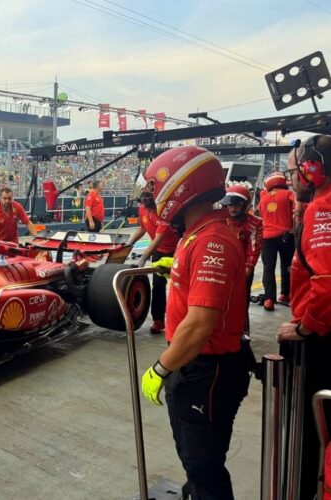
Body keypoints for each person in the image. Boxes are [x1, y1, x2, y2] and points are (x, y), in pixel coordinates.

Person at [139, 146, 250, 500]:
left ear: (180, 189)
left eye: (157, 190)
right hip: (197, 368)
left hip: (207, 370)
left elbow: (201, 323)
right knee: (195, 461)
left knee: (204, 467)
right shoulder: (198, 234)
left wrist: (161, 367)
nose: (154, 198)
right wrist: (176, 268)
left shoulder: (210, 240)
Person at [276, 135, 331, 499]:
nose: (293, 176)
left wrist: (305, 326)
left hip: (322, 342)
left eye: (295, 169)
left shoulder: (322, 209)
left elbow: (326, 283)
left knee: (312, 436)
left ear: (313, 168)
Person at [125, 176, 179, 334]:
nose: (144, 199)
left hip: (175, 251)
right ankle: (159, 320)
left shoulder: (163, 211)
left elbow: (158, 238)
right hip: (159, 251)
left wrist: (144, 256)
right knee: (158, 285)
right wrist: (128, 244)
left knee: (179, 285)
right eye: (142, 196)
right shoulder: (142, 208)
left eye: (148, 196)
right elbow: (142, 228)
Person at [222, 183, 263, 338]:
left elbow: (254, 248)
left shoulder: (254, 223)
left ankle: (242, 330)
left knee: (241, 300)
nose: (233, 209)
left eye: (237, 205)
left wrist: (247, 268)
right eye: (230, 205)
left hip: (243, 268)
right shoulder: (220, 220)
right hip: (221, 265)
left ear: (245, 205)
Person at [258, 172, 295, 310]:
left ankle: (269, 299)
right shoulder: (288, 194)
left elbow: (260, 213)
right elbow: (297, 205)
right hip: (285, 235)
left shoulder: (263, 198)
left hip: (267, 238)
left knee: (268, 268)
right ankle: (284, 295)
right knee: (287, 267)